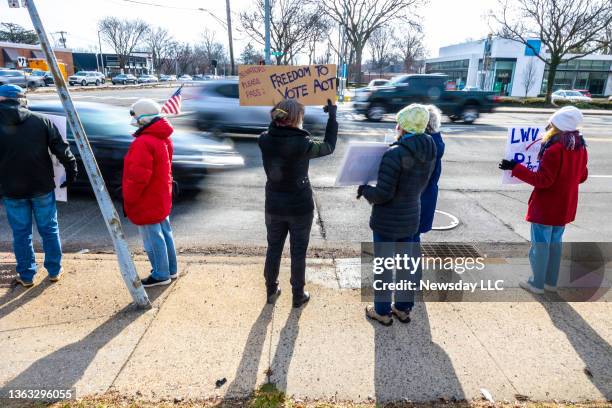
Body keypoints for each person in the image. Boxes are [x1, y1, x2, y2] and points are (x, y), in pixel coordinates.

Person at [358, 104, 436, 326]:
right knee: (405, 265)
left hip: (388, 220)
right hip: (412, 215)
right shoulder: (430, 148)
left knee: (383, 266)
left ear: (404, 126)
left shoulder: (395, 153)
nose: (397, 126)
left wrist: (364, 190)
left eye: (399, 122)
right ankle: (403, 308)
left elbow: (382, 194)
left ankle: (381, 311)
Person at [499, 106, 588, 294]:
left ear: (557, 126)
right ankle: (550, 282)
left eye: (551, 123)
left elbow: (542, 181)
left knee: (540, 247)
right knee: (555, 246)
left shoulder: (555, 149)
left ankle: (536, 283)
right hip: (565, 207)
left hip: (547, 207)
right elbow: (582, 176)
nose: (548, 126)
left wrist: (516, 167)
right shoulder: (580, 147)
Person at [259, 98, 337, 308]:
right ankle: (298, 294)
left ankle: (271, 290)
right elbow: (329, 146)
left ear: (276, 117)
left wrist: (278, 116)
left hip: (274, 204)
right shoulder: (304, 144)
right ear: (297, 119)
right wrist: (332, 116)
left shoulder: (264, 139)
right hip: (300, 206)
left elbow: (271, 131)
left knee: (274, 247)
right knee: (298, 251)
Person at [0, 84, 77, 287]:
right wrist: (71, 172)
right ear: (22, 100)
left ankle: (26, 276)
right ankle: (54, 270)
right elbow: (62, 150)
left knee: (21, 233)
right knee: (49, 229)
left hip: (11, 189)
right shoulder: (41, 121)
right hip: (41, 186)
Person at [123, 98, 178, 288]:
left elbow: (138, 178)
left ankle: (161, 274)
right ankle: (170, 269)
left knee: (152, 238)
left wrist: (128, 198)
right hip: (161, 194)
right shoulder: (163, 138)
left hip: (147, 198)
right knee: (164, 233)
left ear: (142, 119)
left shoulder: (143, 143)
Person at [418, 105, 445, 240]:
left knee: (408, 241)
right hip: (428, 196)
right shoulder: (436, 142)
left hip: (416, 201)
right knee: (415, 238)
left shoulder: (422, 145)